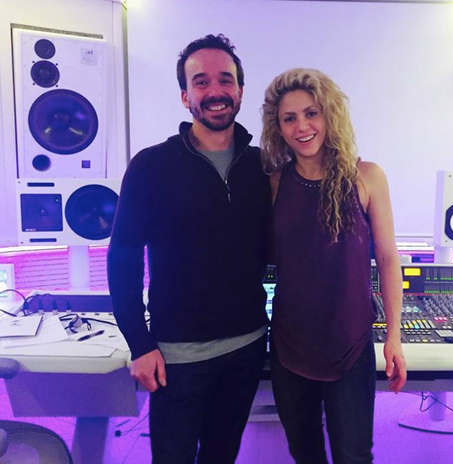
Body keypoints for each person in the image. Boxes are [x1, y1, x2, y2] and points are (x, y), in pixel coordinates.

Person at [107, 34, 270, 464]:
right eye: (201, 82)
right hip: (176, 356)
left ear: (240, 90)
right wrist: (139, 343)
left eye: (225, 80)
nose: (215, 91)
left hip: (247, 347)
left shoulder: (263, 167)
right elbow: (123, 258)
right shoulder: (151, 165)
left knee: (221, 456)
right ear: (185, 96)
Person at [260, 68, 407, 464]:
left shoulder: (367, 177)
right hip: (289, 346)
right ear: (278, 127)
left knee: (353, 455)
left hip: (350, 344)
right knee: (304, 453)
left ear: (329, 115)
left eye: (312, 113)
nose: (302, 127)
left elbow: (388, 259)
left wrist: (394, 337)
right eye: (289, 118)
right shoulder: (273, 183)